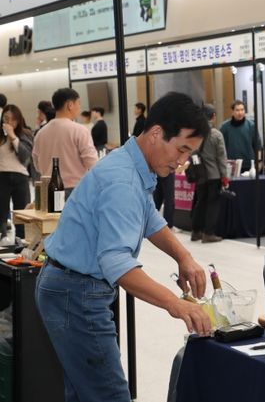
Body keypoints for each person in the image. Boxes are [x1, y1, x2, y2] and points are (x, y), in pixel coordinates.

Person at [35, 92, 212, 402]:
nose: (182, 162)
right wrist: (176, 304)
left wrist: (183, 256)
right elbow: (117, 263)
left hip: (68, 286)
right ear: (156, 133)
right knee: (109, 394)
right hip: (76, 293)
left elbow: (149, 217)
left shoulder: (132, 163)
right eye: (182, 149)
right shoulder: (123, 181)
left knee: (85, 393)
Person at [32, 88, 97, 195]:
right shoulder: (79, 130)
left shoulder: (40, 133)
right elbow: (92, 162)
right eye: (78, 103)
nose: (79, 108)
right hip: (74, 189)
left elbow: (37, 165)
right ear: (70, 105)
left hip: (48, 190)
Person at [190, 104, 229, 243]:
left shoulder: (195, 134)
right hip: (214, 175)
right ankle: (208, 233)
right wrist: (224, 176)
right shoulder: (216, 134)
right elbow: (221, 157)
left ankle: (196, 232)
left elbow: (192, 153)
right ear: (213, 116)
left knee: (200, 203)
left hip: (200, 175)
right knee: (212, 205)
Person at [0, 105, 33, 245]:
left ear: (18, 120)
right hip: (2, 176)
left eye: (13, 119)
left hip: (20, 176)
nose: (9, 122)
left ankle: (21, 242)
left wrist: (13, 137)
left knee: (22, 212)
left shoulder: (25, 134)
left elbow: (26, 158)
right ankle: (2, 239)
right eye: (6, 118)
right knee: (1, 211)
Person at [220, 100, 261, 172]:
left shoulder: (251, 125)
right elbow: (221, 147)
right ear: (232, 112)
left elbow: (258, 145)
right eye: (237, 110)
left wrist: (259, 161)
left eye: (242, 110)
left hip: (248, 164)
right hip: (231, 165)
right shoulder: (224, 127)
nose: (240, 113)